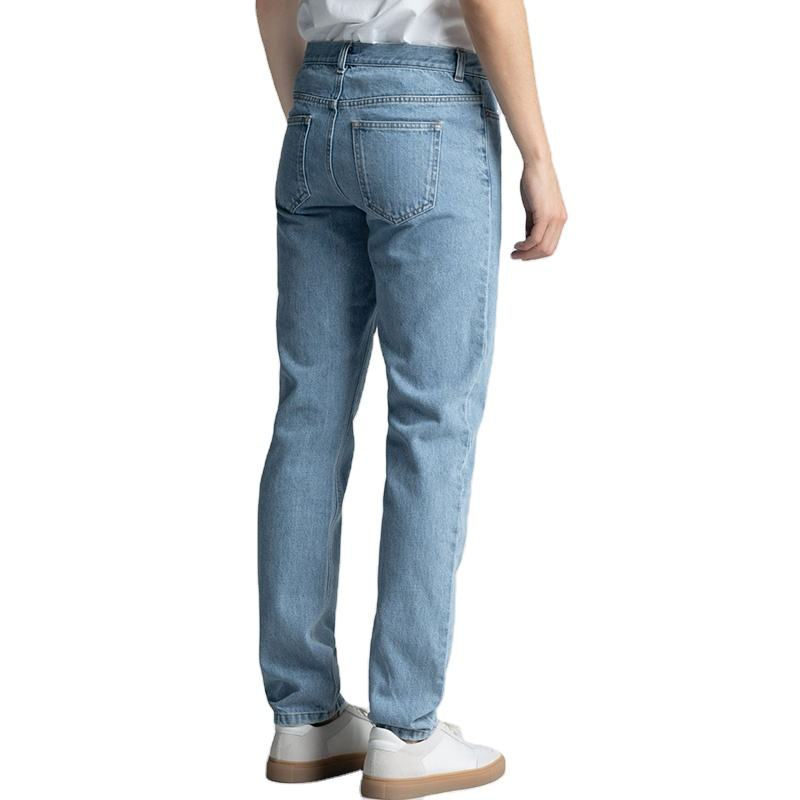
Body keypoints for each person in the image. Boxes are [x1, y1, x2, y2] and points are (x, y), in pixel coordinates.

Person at [255, 1, 566, 796]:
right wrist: (538, 155)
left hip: (315, 109)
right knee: (432, 420)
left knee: (308, 415)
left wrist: (323, 113)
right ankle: (404, 728)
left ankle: (304, 722)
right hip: (427, 107)